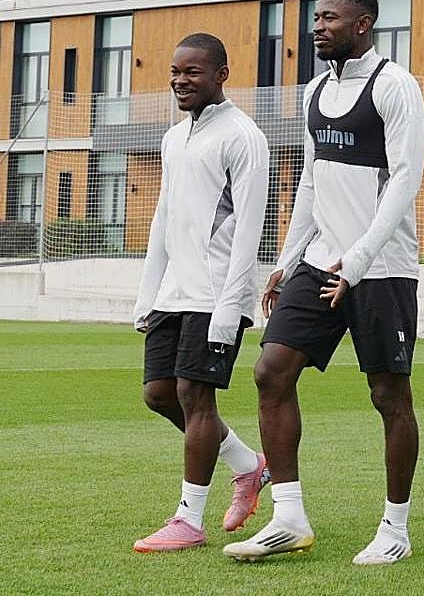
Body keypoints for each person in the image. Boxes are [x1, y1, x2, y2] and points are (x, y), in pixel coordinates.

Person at [224, 0, 424, 564]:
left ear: (363, 24)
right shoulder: (315, 90)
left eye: (330, 18)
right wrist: (286, 261)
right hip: (321, 261)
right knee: (270, 372)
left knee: (389, 396)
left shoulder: (393, 85)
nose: (317, 27)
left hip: (381, 268)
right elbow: (311, 181)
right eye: (316, 17)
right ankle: (288, 518)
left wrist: (358, 260)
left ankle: (395, 529)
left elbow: (405, 180)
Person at [132, 33, 271, 552]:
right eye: (175, 71)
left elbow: (250, 229)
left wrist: (231, 308)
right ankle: (248, 464)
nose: (180, 81)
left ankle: (189, 520)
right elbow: (163, 217)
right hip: (174, 293)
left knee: (195, 396)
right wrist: (148, 294)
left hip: (215, 295)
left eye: (192, 72)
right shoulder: (174, 138)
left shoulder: (243, 136)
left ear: (221, 75)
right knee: (159, 394)